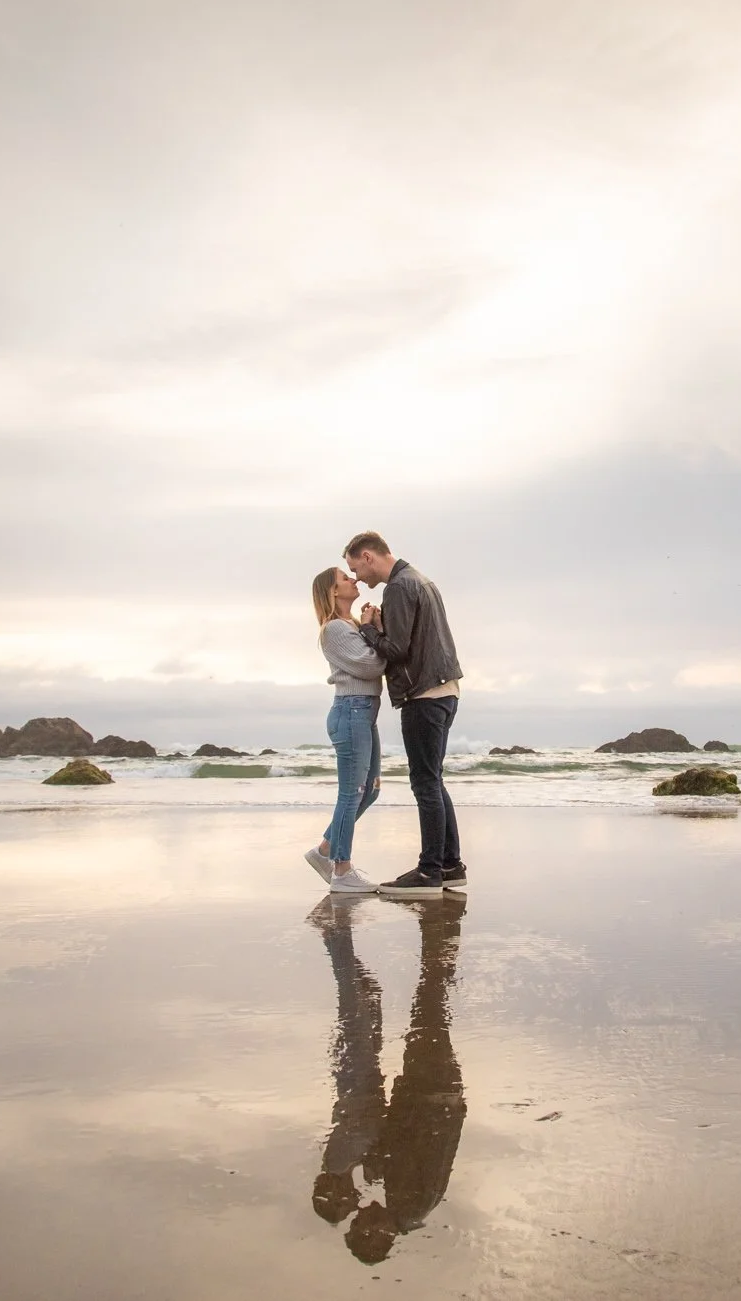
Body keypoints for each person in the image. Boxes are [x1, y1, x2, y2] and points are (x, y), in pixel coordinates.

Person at [308, 894, 467, 1264]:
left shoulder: (409, 1207)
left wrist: (379, 1156)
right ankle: (439, 933)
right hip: (431, 1094)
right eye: (359, 1220)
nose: (360, 1210)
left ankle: (438, 934)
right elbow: (418, 1141)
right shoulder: (409, 1204)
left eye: (353, 1214)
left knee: (427, 1007)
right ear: (373, 1232)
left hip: (434, 1095)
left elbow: (404, 1140)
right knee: (428, 1006)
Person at [343, 531, 465, 898]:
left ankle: (429, 872)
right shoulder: (421, 580)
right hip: (445, 690)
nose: (359, 579)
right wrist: (383, 629)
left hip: (423, 694)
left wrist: (367, 630)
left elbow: (396, 650)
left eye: (355, 568)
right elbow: (410, 639)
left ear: (368, 556)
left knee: (424, 783)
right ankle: (450, 866)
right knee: (434, 780)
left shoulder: (397, 587)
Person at [306, 565, 384, 895]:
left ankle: (325, 850)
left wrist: (371, 628)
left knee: (371, 790)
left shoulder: (349, 625)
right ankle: (341, 869)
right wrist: (371, 632)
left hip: (363, 713)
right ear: (333, 592)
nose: (353, 580)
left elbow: (372, 660)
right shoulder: (335, 629)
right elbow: (372, 665)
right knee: (351, 793)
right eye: (345, 578)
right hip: (350, 711)